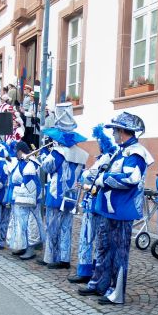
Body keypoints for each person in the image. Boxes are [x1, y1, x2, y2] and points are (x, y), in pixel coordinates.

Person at [78, 112, 154, 305]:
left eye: (115, 130)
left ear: (122, 131)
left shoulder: (136, 153)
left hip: (122, 210)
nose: (112, 134)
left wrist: (103, 179)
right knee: (103, 248)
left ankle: (116, 292)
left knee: (120, 253)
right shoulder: (121, 151)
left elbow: (131, 179)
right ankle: (99, 284)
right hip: (108, 208)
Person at [39, 103, 89, 268]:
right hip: (71, 195)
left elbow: (47, 167)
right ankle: (64, 259)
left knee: (52, 226)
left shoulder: (58, 152)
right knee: (67, 226)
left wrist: (44, 153)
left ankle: (51, 257)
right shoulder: (81, 155)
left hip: (56, 194)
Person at [68, 125, 118, 283]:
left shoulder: (105, 158)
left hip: (94, 202)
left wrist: (84, 178)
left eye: (99, 142)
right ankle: (94, 269)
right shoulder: (106, 158)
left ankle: (85, 271)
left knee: (88, 237)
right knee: (94, 238)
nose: (98, 145)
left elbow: (91, 177)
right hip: (95, 200)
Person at [9, 140, 45, 260]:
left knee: (30, 224)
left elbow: (31, 184)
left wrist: (27, 197)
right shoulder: (21, 162)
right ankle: (22, 246)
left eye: (16, 151)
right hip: (19, 197)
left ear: (20, 151)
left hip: (27, 200)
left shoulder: (29, 163)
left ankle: (31, 249)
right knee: (21, 224)